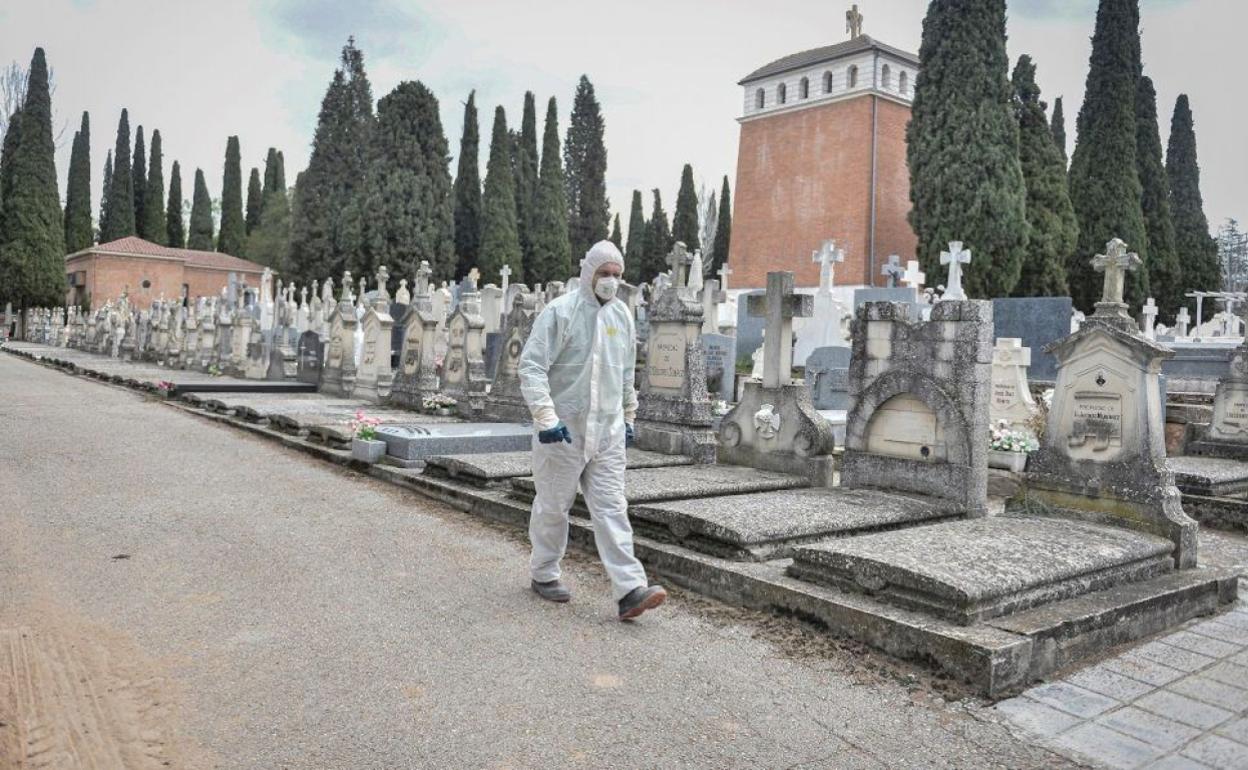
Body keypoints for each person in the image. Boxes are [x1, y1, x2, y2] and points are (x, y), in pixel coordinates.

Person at [518, 240, 667, 621]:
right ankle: (544, 573)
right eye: (604, 274)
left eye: (617, 275)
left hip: (607, 432)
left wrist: (629, 417)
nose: (611, 282)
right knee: (553, 506)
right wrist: (546, 418)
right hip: (563, 431)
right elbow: (533, 367)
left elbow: (625, 374)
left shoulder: (622, 317)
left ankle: (630, 590)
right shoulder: (560, 313)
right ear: (588, 274)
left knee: (613, 508)